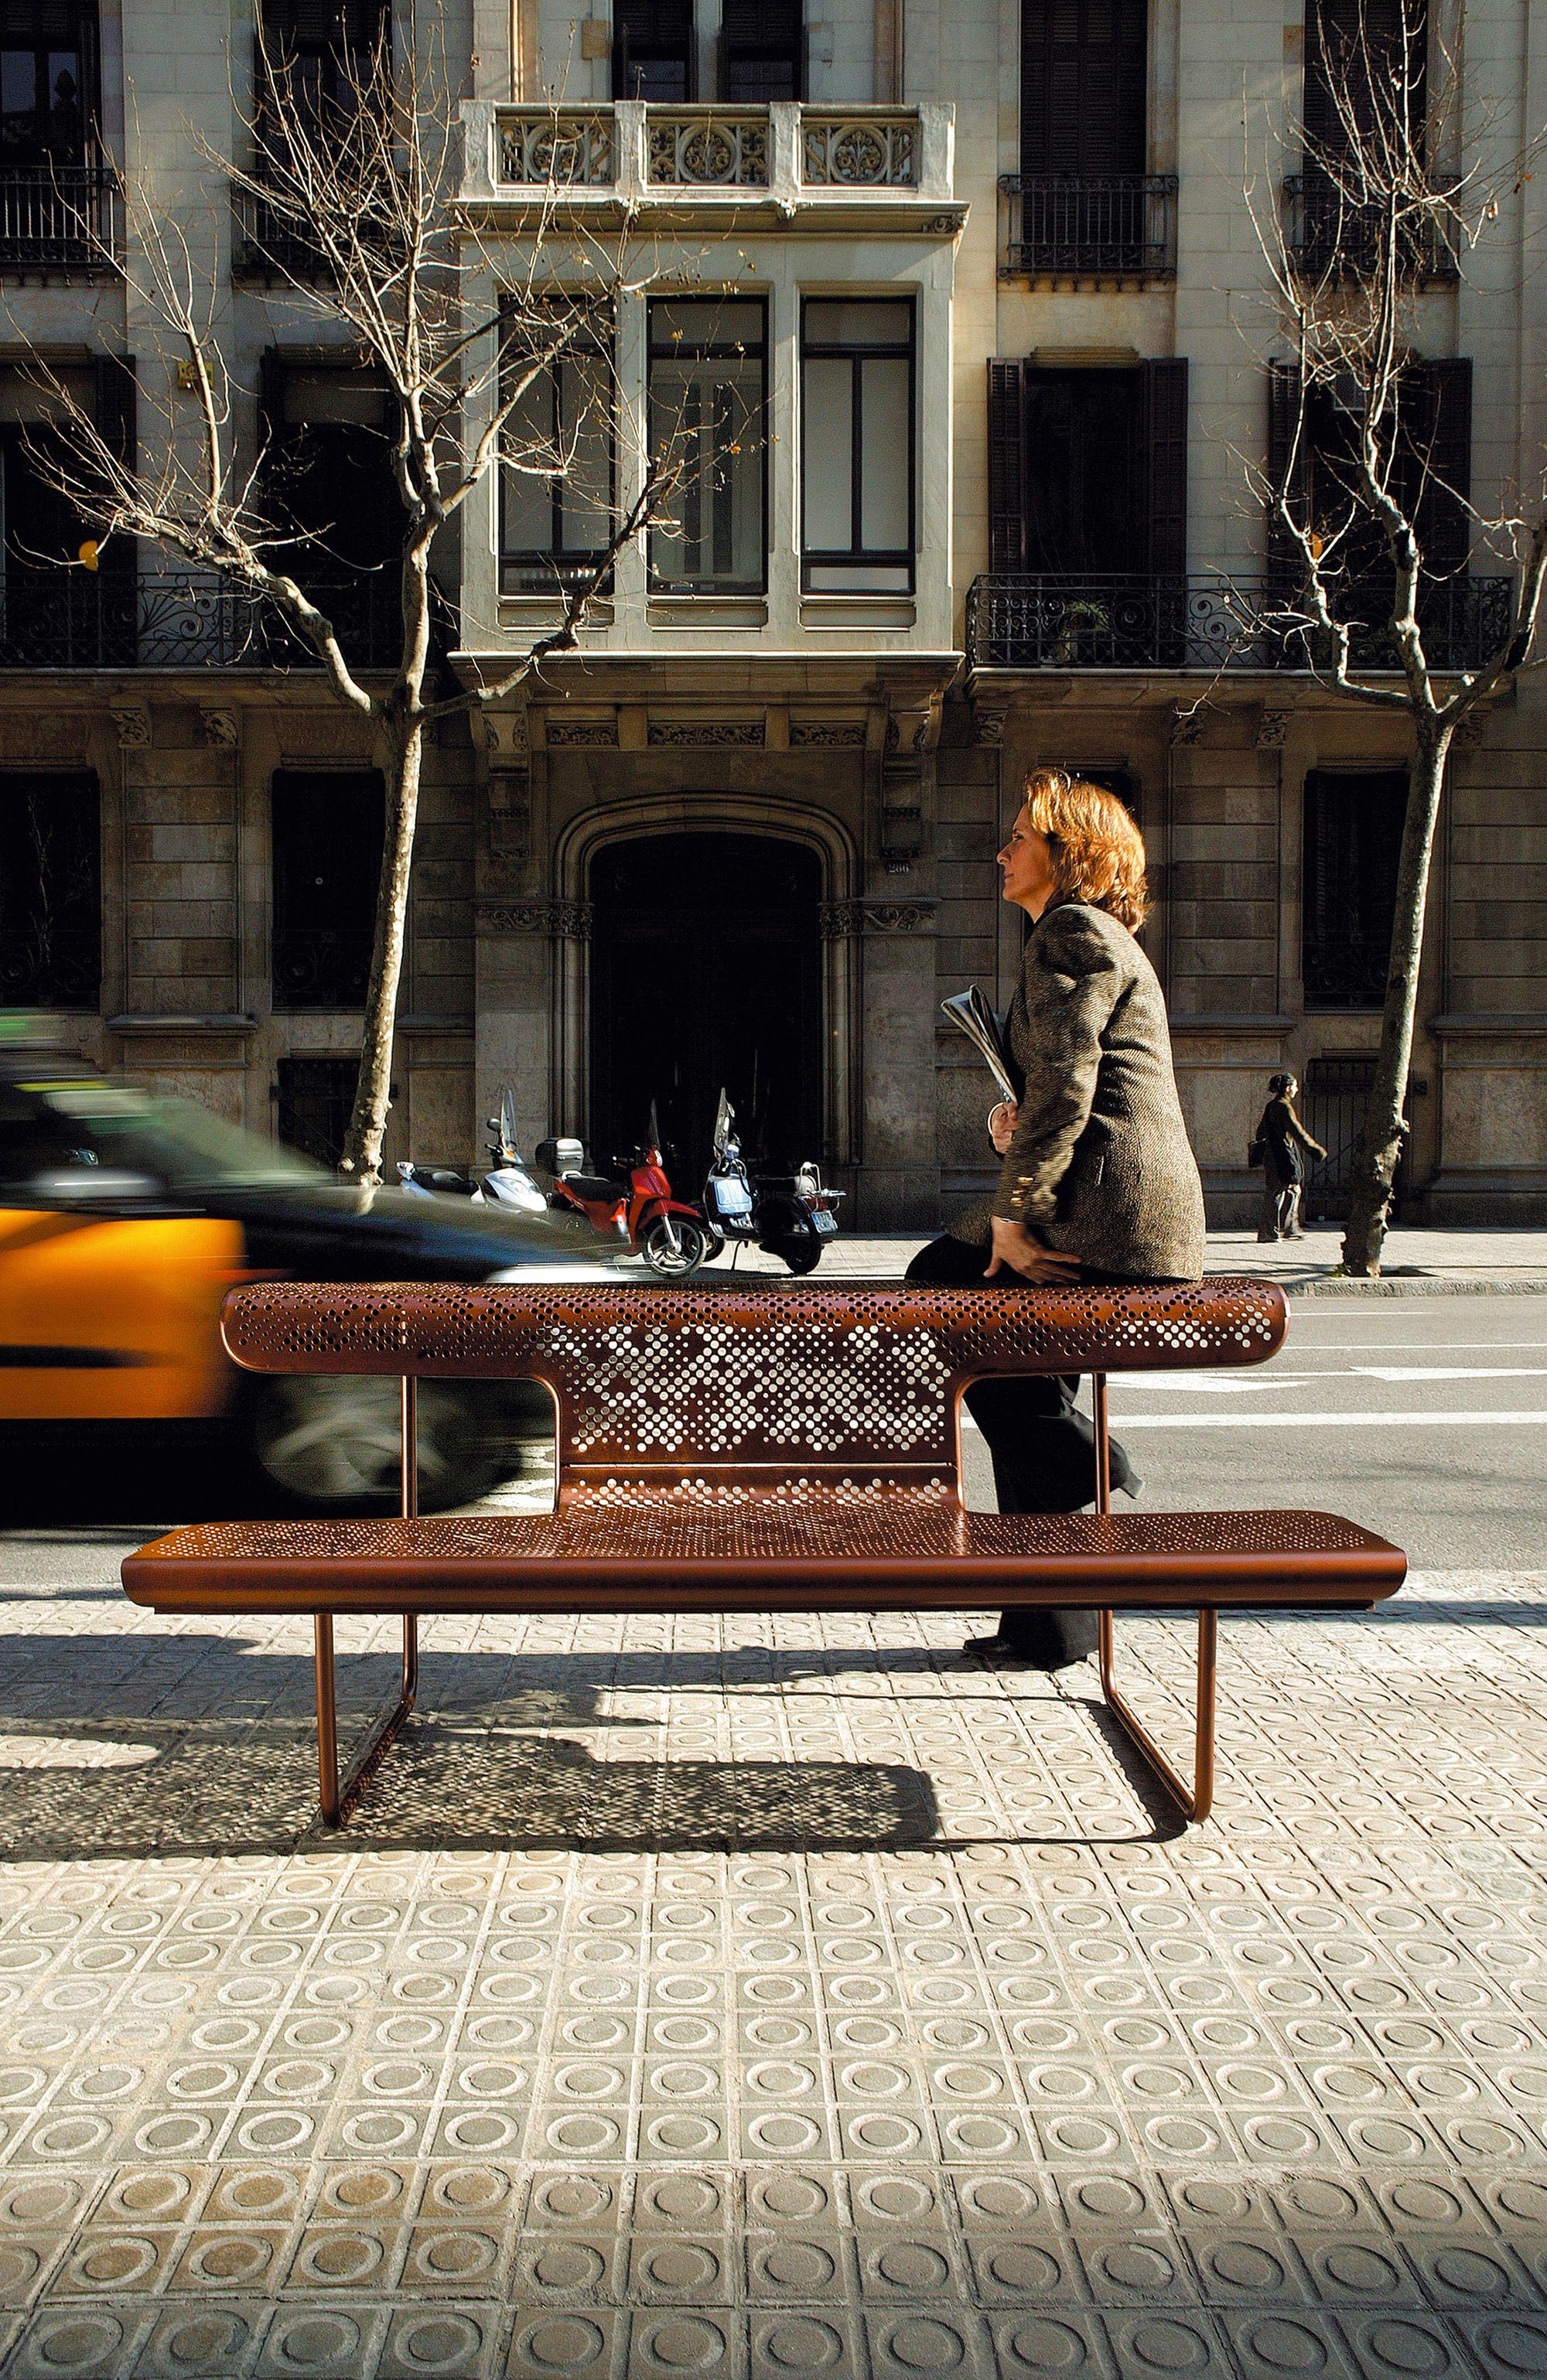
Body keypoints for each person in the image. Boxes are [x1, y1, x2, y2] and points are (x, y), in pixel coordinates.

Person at [907, 770, 1206, 1670]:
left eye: (1018, 837)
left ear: (1066, 851)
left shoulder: (1070, 931)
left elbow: (1074, 1085)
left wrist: (1012, 1217)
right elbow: (1065, 1084)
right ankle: (1047, 1624)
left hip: (1109, 1210)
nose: (1000, 851)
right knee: (1019, 1373)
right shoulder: (1072, 934)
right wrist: (1011, 1120)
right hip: (1117, 1202)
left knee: (937, 1281)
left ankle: (1080, 1461)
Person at [1254, 1072, 1325, 1241]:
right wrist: (1316, 1150)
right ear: (1287, 1088)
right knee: (1276, 1193)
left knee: (1294, 1189)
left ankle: (1289, 1228)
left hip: (1278, 1156)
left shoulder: (1272, 1106)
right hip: (1281, 1157)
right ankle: (1268, 1233)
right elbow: (1298, 1132)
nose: (1297, 1089)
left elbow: (1260, 1132)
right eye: (1294, 1086)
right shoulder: (1283, 1107)